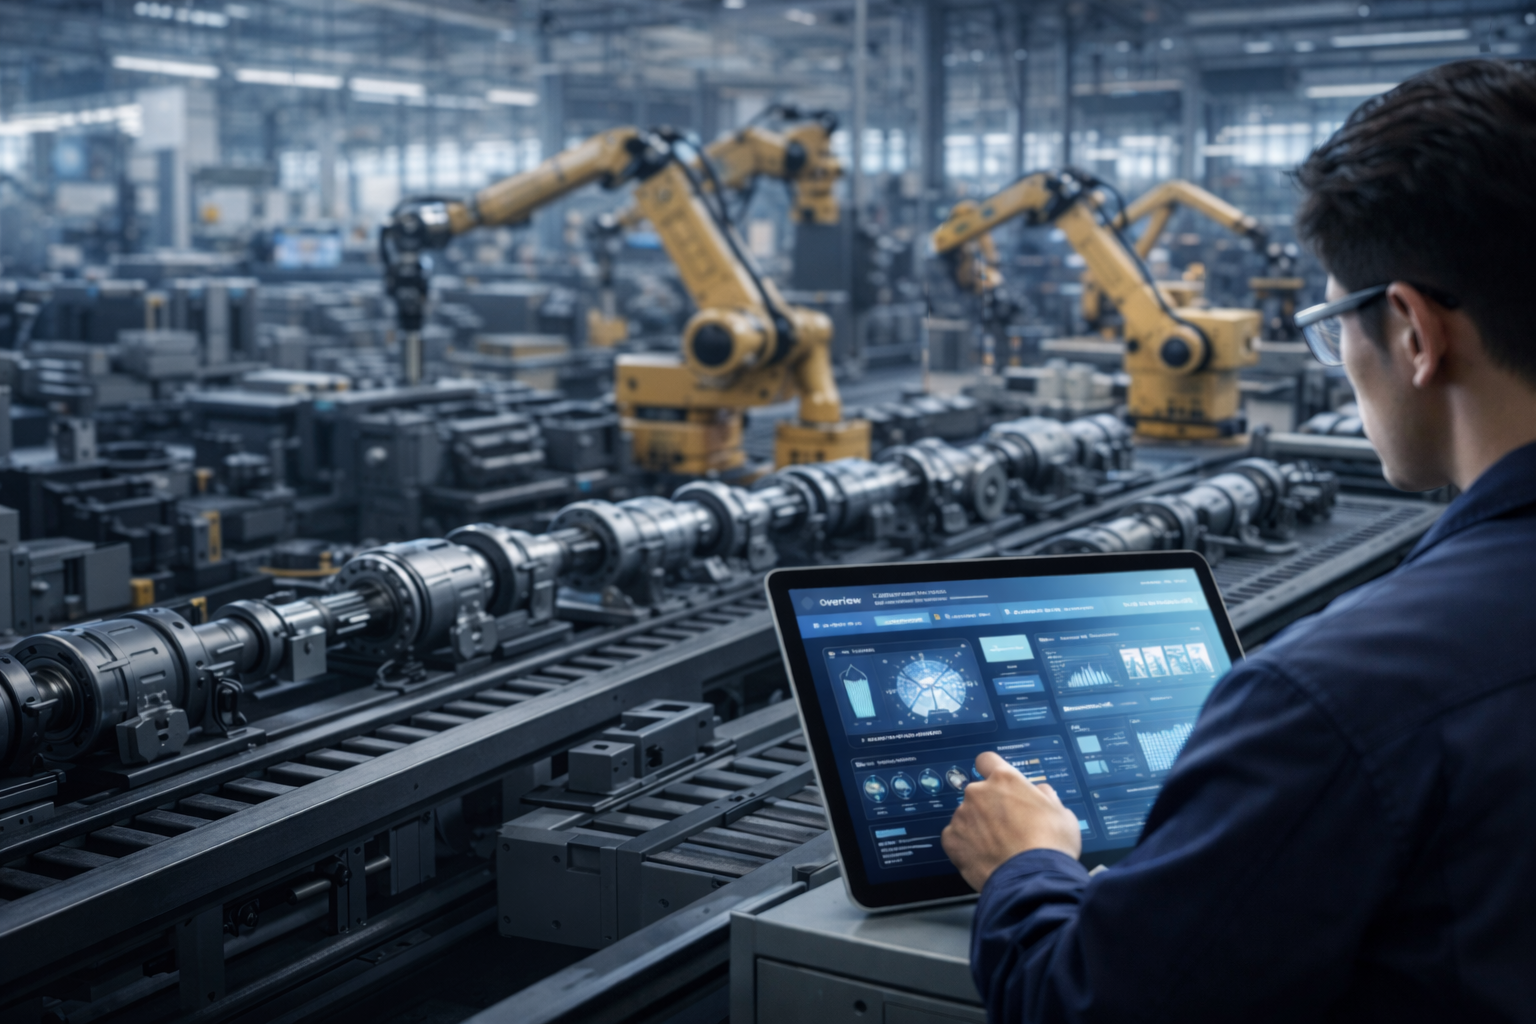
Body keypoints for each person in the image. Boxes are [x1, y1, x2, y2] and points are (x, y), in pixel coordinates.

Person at [940, 59, 1536, 1022]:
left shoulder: (1338, 699)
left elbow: (1093, 1004)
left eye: (1330, 322)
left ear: (1413, 333)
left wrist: (1026, 867)